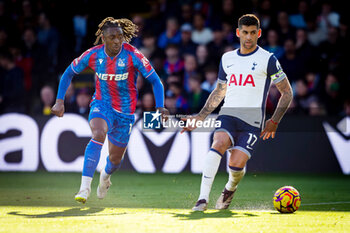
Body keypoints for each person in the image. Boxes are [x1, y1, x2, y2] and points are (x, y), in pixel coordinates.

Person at [180, 14, 293, 211]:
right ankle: (202, 199)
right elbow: (219, 91)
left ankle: (230, 188)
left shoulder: (268, 59)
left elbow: (287, 92)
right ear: (238, 33)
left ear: (258, 33)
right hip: (229, 115)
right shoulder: (227, 58)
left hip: (253, 122)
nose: (248, 37)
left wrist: (274, 120)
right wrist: (200, 117)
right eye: (244, 32)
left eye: (252, 33)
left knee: (236, 164)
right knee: (219, 143)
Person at [51, 17, 169, 204]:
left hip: (125, 113)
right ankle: (84, 187)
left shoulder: (132, 55)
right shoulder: (93, 54)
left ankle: (105, 178)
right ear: (103, 39)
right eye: (112, 37)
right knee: (98, 133)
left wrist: (160, 107)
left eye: (120, 37)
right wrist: (59, 101)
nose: (117, 41)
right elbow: (68, 73)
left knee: (115, 161)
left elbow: (155, 80)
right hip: (102, 104)